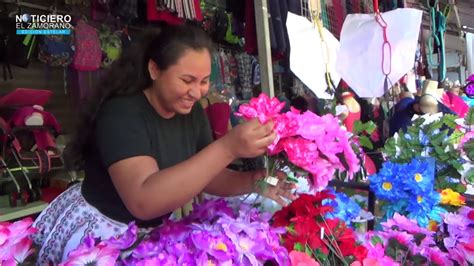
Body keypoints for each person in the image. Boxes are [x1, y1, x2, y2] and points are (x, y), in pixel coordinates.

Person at [32, 24, 296, 264]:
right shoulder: (122, 114)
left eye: (204, 81)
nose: (197, 92)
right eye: (187, 80)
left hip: (151, 236)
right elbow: (143, 200)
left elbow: (206, 177)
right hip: (102, 235)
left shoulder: (191, 113)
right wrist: (228, 147)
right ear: (154, 70)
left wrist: (257, 180)